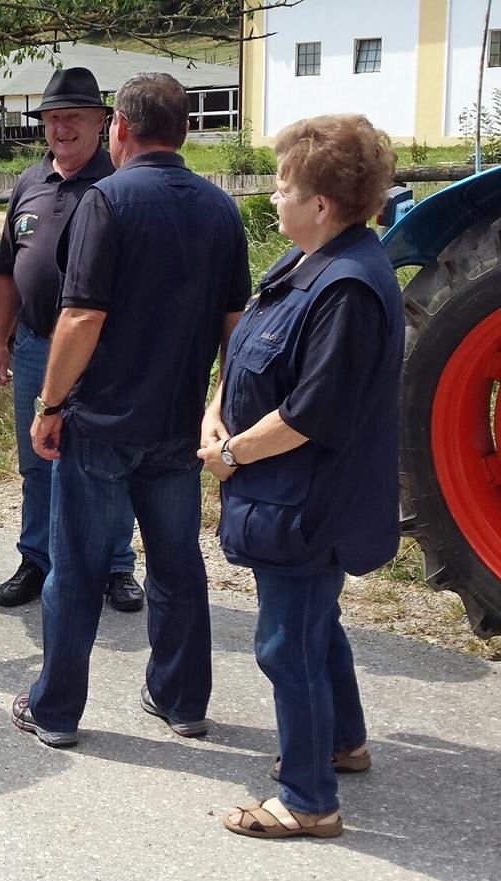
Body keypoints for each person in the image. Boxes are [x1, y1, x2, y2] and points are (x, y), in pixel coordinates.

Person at [11, 73, 250, 748]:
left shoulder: (106, 200)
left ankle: (56, 710)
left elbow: (82, 316)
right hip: (177, 423)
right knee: (177, 566)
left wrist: (49, 404)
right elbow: (236, 324)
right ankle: (181, 700)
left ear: (118, 127)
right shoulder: (221, 208)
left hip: (102, 425)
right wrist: (220, 402)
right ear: (184, 131)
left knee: (76, 570)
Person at [199, 115, 402, 839]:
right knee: (317, 625)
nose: (274, 197)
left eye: (284, 187)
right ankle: (342, 741)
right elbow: (250, 351)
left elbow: (311, 413)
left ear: (321, 203)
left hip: (309, 504)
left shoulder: (347, 289)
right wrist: (215, 409)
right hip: (284, 495)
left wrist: (230, 454)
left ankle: (308, 800)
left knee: (286, 645)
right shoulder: (304, 262)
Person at [0, 67, 143, 612]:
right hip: (34, 346)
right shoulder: (28, 183)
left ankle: (116, 565)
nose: (62, 128)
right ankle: (37, 558)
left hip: (101, 351)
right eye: (53, 118)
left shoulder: (118, 184)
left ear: (102, 122)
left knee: (107, 460)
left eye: (74, 117)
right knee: (36, 461)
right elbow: (8, 270)